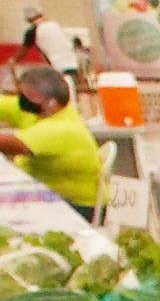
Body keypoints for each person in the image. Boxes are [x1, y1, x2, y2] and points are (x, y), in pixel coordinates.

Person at [0, 66, 101, 219]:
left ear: (51, 102)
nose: (21, 100)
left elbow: (13, 144)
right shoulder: (40, 110)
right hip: (42, 193)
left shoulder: (61, 128)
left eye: (26, 95)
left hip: (74, 207)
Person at [18, 8, 79, 88]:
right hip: (72, 62)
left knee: (63, 90)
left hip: (58, 66)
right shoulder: (54, 25)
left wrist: (13, 61)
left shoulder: (33, 31)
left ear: (28, 20)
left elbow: (23, 51)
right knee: (73, 88)